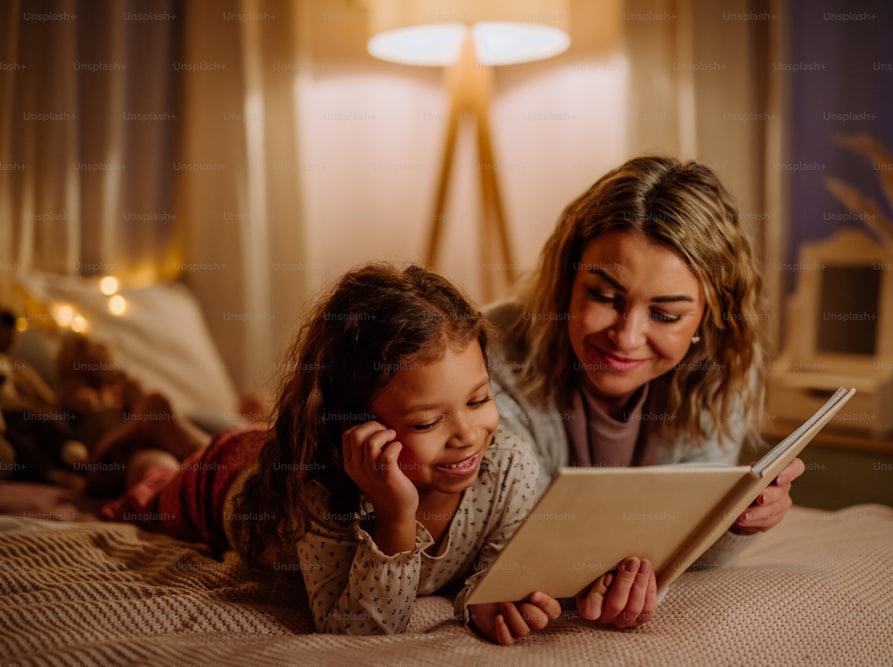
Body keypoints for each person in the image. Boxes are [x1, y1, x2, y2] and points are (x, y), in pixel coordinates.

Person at [97, 263, 561, 646]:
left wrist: (488, 597)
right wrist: (395, 516)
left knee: (243, 440)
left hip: (258, 451)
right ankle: (159, 442)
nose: (467, 435)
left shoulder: (509, 465)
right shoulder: (325, 487)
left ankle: (172, 425)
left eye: (479, 400)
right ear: (353, 426)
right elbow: (355, 629)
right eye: (426, 422)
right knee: (153, 481)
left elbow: (498, 568)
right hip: (224, 487)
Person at [486, 155, 806, 629]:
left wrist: (737, 518)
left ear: (706, 320)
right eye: (603, 296)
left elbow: (689, 548)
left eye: (666, 315)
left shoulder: (718, 371)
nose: (627, 337)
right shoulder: (487, 351)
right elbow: (512, 534)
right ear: (566, 280)